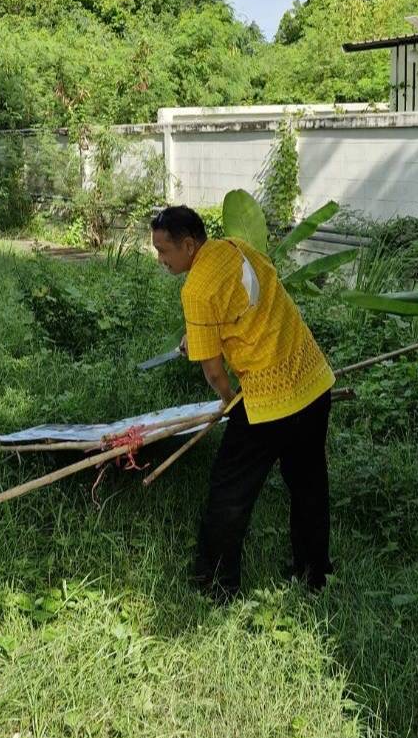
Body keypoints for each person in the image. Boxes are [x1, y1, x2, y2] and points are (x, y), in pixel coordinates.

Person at [150, 205, 335, 601]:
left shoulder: (196, 289)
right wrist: (195, 334)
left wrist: (230, 400)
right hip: (313, 379)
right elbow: (247, 301)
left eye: (164, 251)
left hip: (270, 398)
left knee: (229, 492)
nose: (160, 260)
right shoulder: (237, 248)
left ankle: (216, 585)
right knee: (309, 484)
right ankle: (315, 573)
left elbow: (214, 371)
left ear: (187, 244)